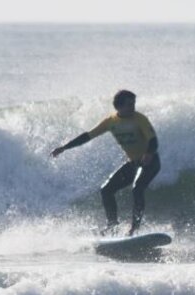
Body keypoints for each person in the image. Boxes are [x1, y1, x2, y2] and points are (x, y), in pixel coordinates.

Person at [51, 90, 160, 236]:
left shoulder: (139, 119)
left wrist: (149, 153)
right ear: (119, 106)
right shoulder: (111, 122)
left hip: (150, 162)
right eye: (129, 104)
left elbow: (153, 140)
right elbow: (88, 136)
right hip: (133, 163)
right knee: (106, 190)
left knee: (137, 189)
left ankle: (134, 229)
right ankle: (112, 225)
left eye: (134, 103)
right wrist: (64, 147)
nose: (133, 107)